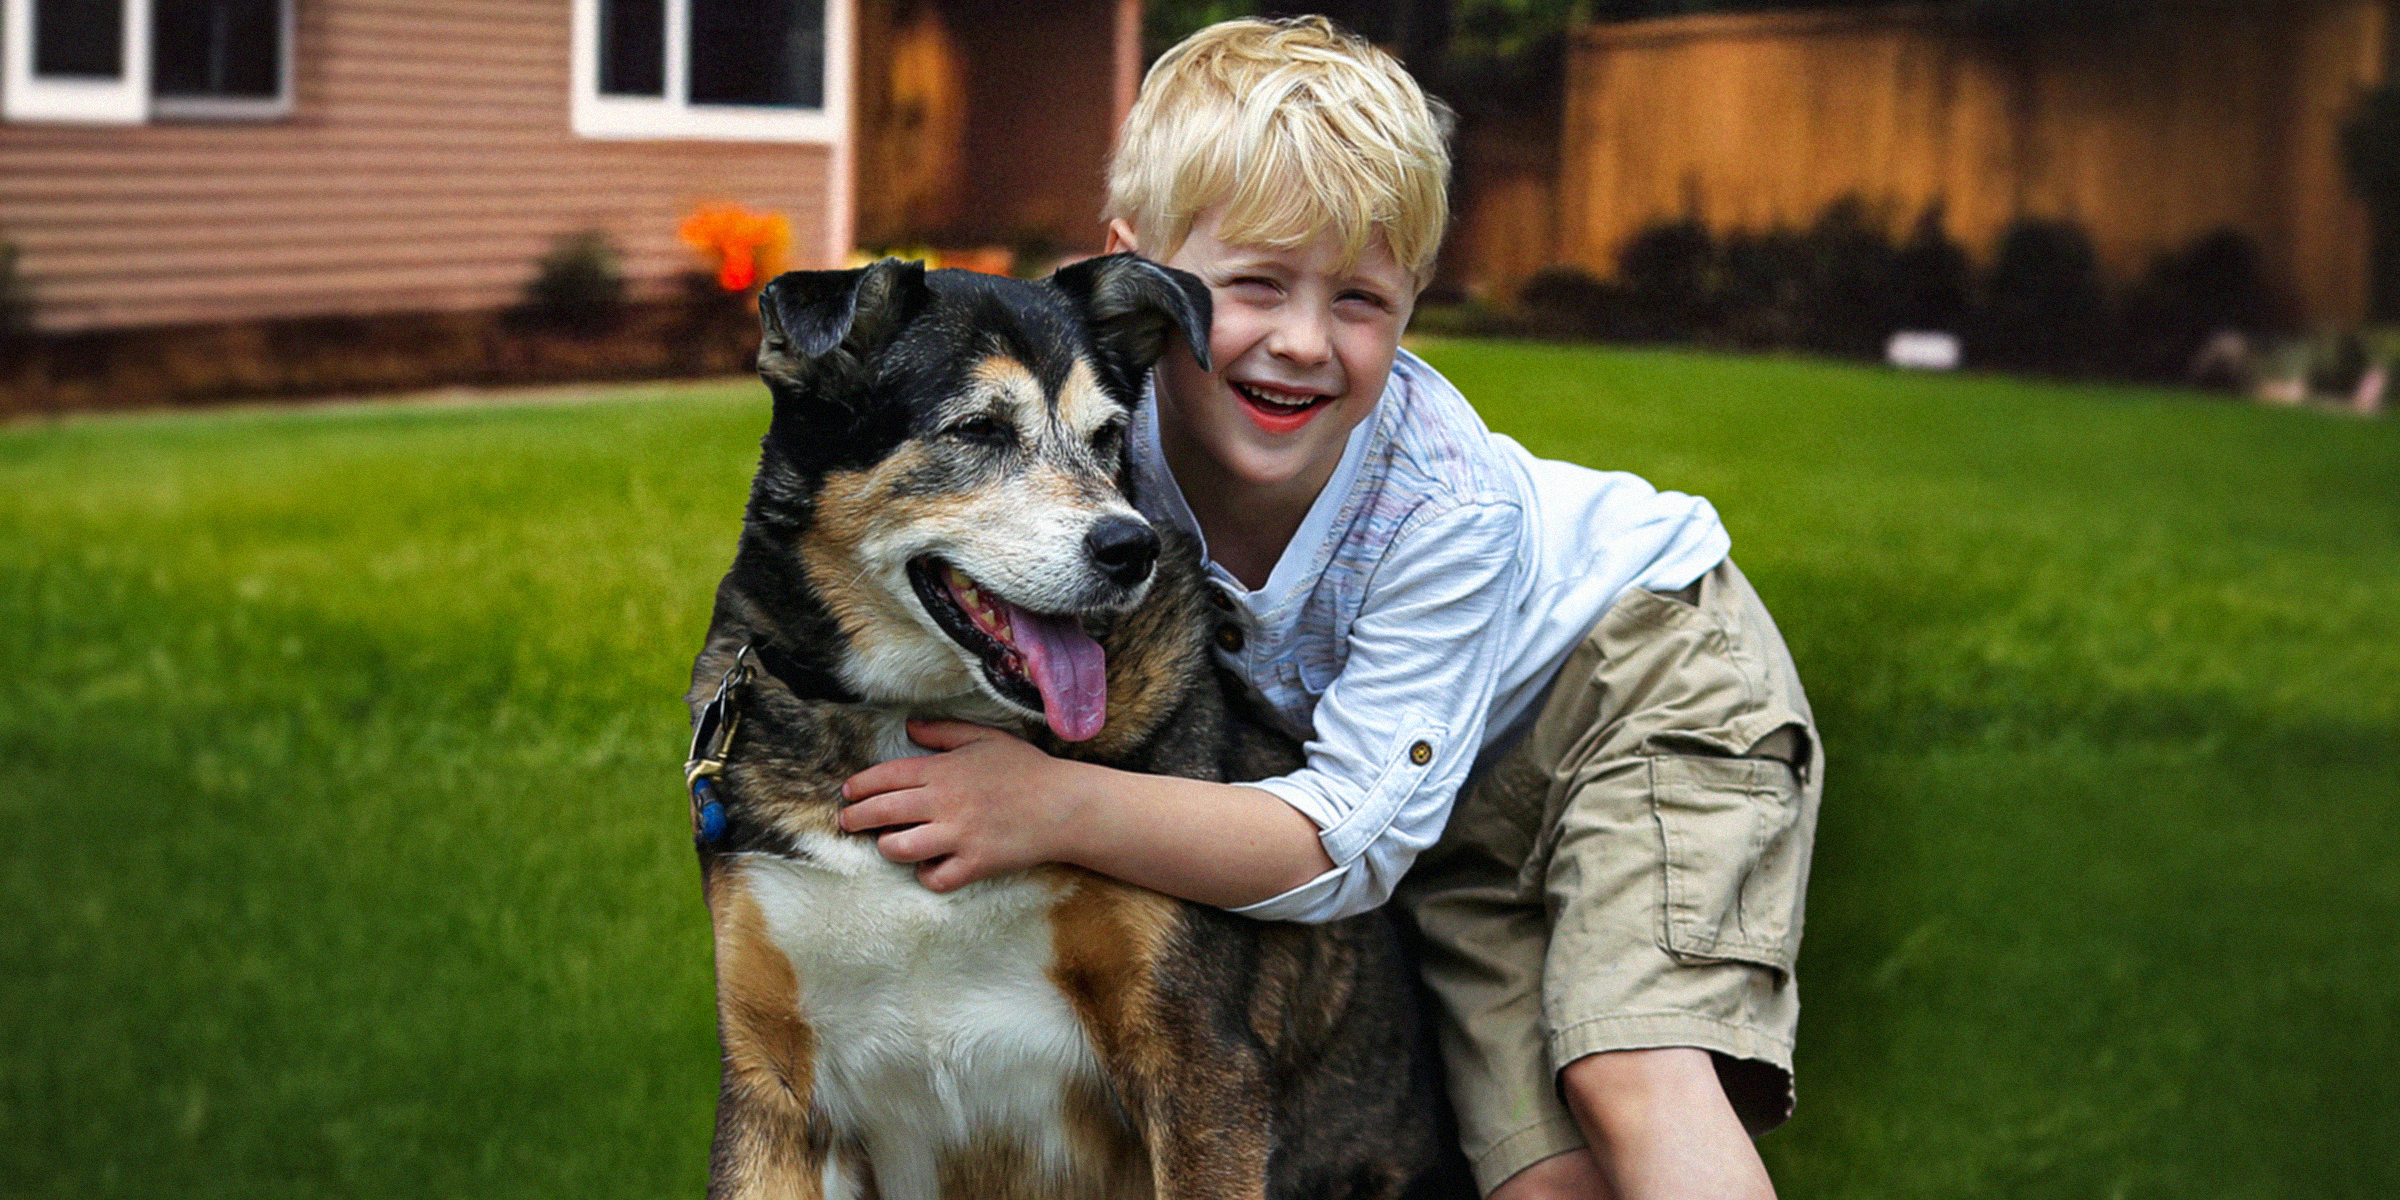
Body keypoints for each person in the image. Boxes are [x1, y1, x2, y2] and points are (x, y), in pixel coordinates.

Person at [837, 16, 1822, 1200]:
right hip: (1446, 783)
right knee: (1533, 1167)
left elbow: (1338, 844)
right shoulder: (1101, 450)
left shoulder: (1443, 511)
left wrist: (1053, 807)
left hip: (1640, 685)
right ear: (1138, 276)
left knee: (1630, 1068)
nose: (1305, 343)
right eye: (1256, 284)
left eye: (1362, 299)